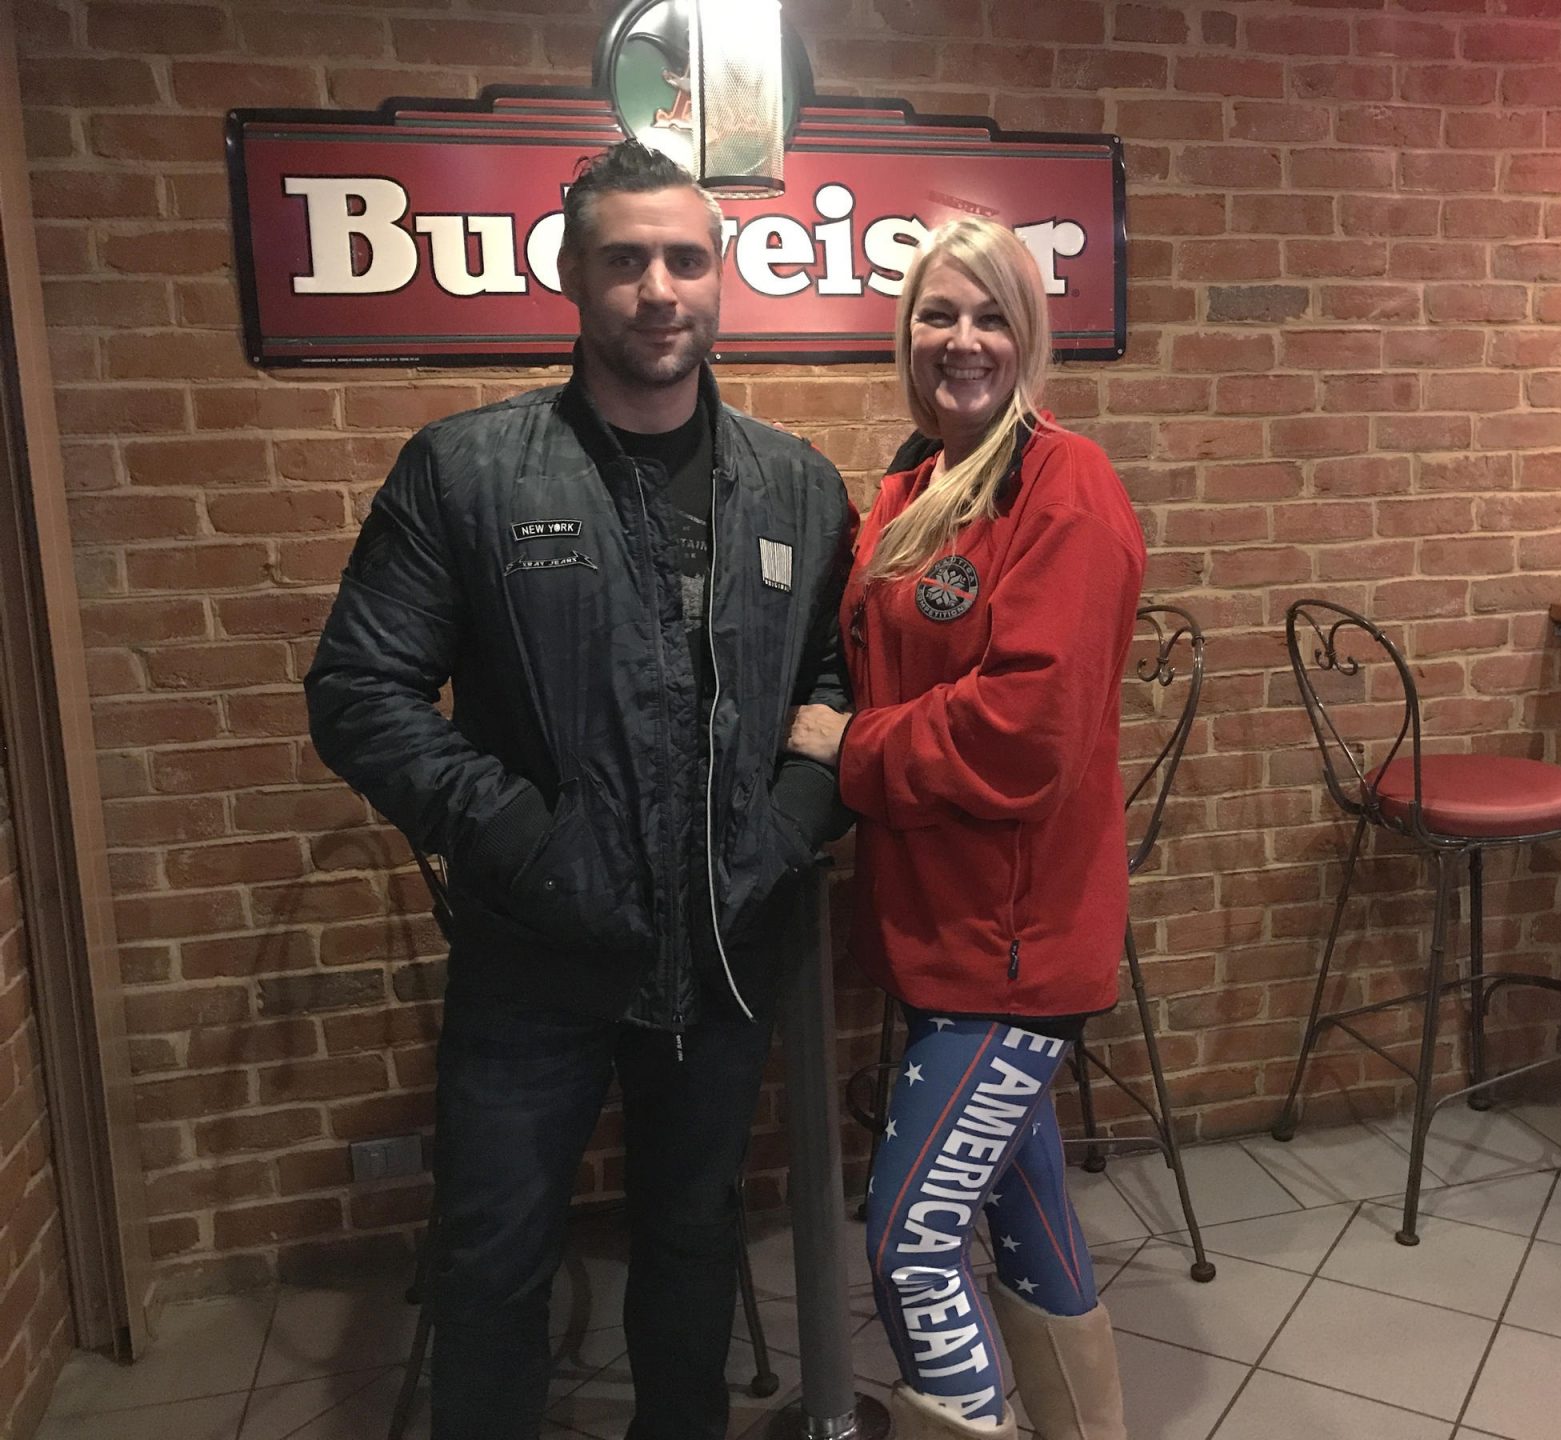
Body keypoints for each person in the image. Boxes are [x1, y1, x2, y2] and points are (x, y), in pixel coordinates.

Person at [305, 141, 853, 1440]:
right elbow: (360, 693)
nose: (659, 289)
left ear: (720, 278)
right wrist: (524, 840)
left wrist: (781, 829)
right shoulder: (470, 475)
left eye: (685, 258)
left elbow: (835, 680)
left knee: (691, 1245)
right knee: (494, 1264)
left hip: (722, 959)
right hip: (533, 960)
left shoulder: (797, 486)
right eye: (626, 261)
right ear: (571, 277)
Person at [786, 217, 1144, 1439]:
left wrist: (858, 750)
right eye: (939, 314)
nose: (964, 339)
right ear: (907, 334)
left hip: (1016, 948)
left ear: (1029, 332)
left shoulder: (1068, 485)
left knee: (911, 1241)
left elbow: (1028, 731)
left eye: (990, 314)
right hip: (938, 928)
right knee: (1026, 1206)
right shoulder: (908, 484)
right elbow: (862, 656)